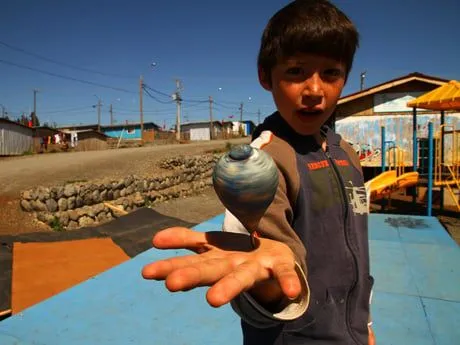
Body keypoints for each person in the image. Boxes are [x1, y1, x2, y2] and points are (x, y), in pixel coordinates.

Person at [142, 1, 375, 344]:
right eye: (296, 71)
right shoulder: (258, 164)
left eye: (331, 73)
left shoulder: (348, 154)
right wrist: (267, 287)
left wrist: (365, 324)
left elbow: (358, 256)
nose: (314, 90)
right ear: (266, 76)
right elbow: (253, 273)